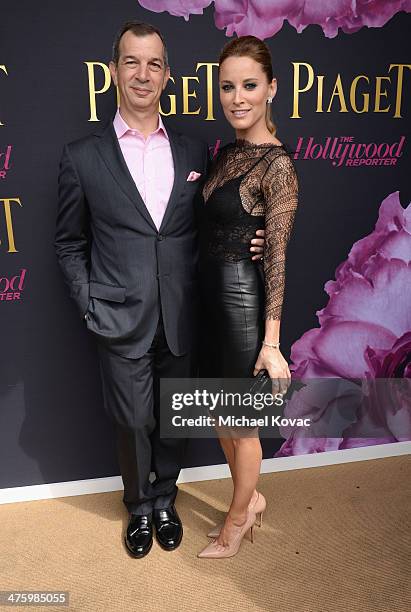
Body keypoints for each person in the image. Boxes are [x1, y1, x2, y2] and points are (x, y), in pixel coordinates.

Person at [54, 21, 264, 559]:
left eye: (153, 64)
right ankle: (139, 505)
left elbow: (217, 221)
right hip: (117, 315)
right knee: (131, 421)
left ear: (167, 75)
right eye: (131, 62)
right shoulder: (82, 155)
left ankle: (166, 500)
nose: (143, 74)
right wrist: (90, 306)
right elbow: (68, 243)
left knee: (174, 418)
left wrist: (252, 238)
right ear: (114, 72)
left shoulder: (196, 152)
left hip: (181, 313)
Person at [196, 36, 299, 559]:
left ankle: (237, 519)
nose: (237, 97)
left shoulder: (278, 166)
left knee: (240, 423)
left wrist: (272, 342)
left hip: (241, 305)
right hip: (209, 306)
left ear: (271, 90)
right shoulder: (227, 154)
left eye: (249, 86)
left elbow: (277, 255)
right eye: (228, 87)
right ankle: (250, 497)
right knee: (217, 416)